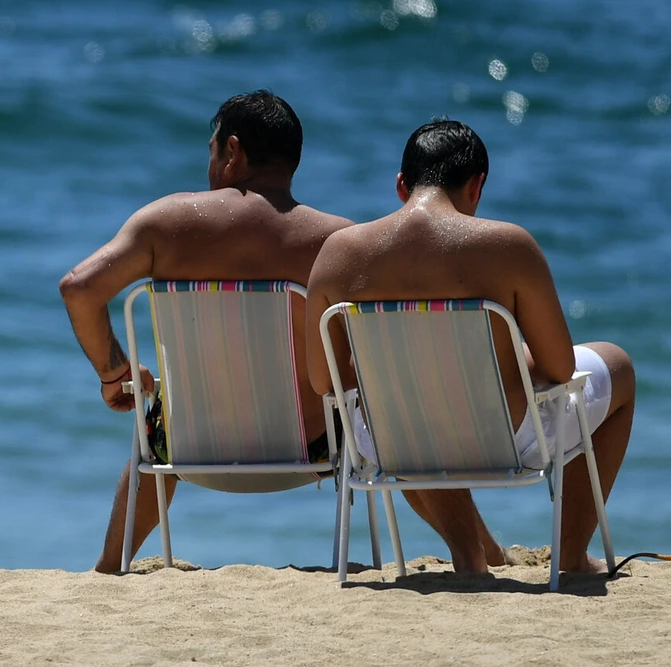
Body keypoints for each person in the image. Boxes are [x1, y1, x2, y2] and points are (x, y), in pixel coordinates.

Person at [306, 119, 635, 574]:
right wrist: (510, 357)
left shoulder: (338, 253)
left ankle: (469, 553)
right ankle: (571, 555)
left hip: (390, 443)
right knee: (619, 366)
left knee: (413, 404)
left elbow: (324, 382)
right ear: (476, 186)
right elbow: (560, 368)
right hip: (503, 441)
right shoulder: (509, 246)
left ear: (401, 185)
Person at [59, 90, 359, 573]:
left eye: (212, 150)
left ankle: (110, 564)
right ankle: (472, 550)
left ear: (233, 152)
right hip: (311, 449)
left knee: (155, 421)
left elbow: (78, 289)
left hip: (184, 449)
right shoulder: (340, 240)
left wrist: (114, 374)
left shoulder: (165, 223)